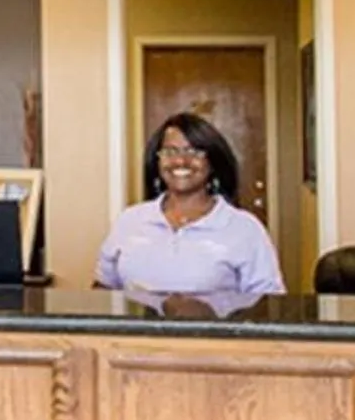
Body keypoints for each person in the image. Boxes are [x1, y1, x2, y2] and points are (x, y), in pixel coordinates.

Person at [95, 111, 285, 296]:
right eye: (170, 151)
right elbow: (103, 288)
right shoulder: (129, 220)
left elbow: (268, 304)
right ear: (157, 160)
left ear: (212, 162)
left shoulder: (245, 229)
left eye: (194, 151)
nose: (180, 160)